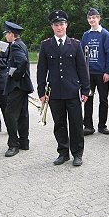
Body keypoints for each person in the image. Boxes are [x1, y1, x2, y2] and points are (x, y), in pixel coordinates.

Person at [37, 10, 90, 166]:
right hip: (54, 93)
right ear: (52, 27)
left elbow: (82, 69)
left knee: (75, 124)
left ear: (66, 25)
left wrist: (86, 89)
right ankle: (63, 152)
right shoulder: (46, 45)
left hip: (72, 91)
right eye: (56, 25)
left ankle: (77, 154)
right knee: (59, 124)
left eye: (61, 24)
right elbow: (41, 70)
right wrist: (41, 92)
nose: (59, 27)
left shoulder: (75, 44)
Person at [80, 8, 109, 136]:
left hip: (101, 73)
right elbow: (82, 53)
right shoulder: (86, 35)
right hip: (89, 73)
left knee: (103, 100)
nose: (92, 20)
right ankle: (88, 126)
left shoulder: (104, 34)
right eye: (89, 18)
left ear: (98, 18)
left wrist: (107, 71)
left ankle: (102, 125)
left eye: (94, 17)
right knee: (88, 99)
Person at [3, 21, 33, 157]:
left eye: (6, 33)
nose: (5, 36)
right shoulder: (21, 44)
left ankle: (13, 145)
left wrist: (15, 75)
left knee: (10, 115)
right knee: (22, 114)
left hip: (16, 86)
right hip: (22, 86)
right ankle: (24, 141)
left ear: (11, 34)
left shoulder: (15, 46)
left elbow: (23, 62)